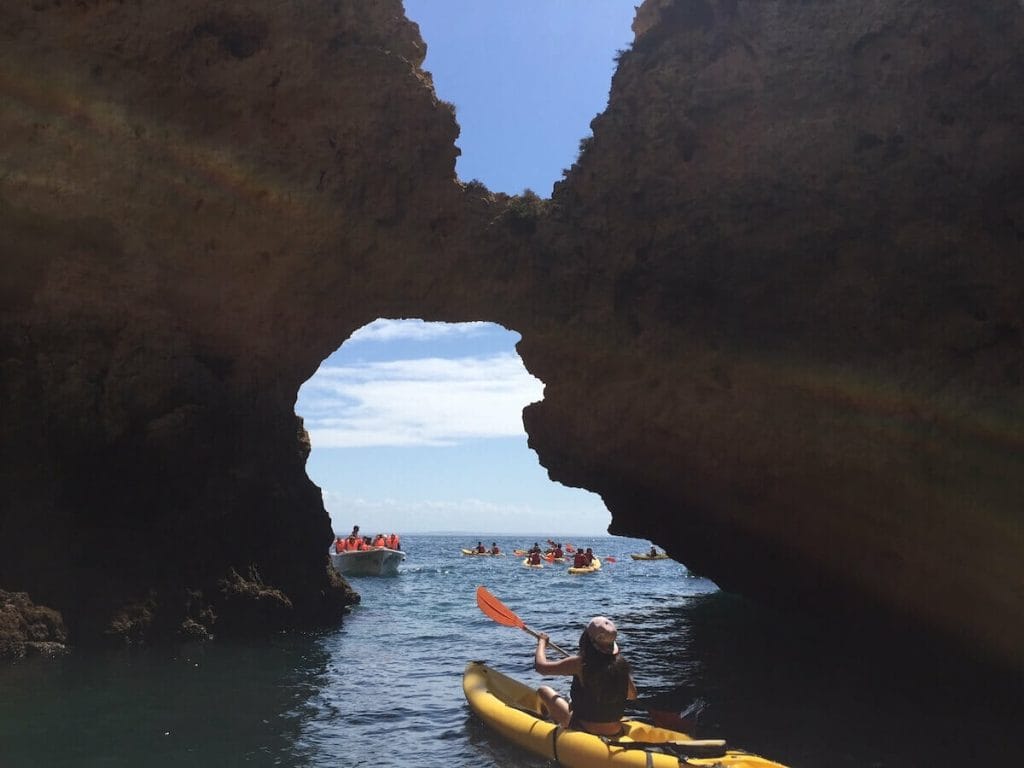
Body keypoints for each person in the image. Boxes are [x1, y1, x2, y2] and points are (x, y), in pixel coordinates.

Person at [535, 617, 637, 736]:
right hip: (616, 731)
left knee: (543, 691)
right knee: (573, 701)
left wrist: (542, 643)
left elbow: (541, 667)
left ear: (586, 639)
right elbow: (632, 695)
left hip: (583, 729)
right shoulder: (620, 665)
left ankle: (549, 725)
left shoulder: (579, 663)